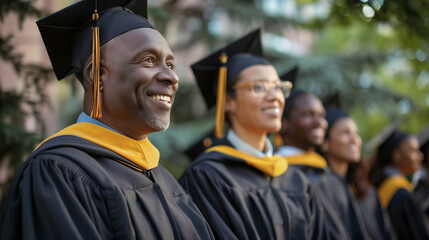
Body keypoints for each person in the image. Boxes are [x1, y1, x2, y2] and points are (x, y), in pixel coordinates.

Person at [0, 0, 215, 239]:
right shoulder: (59, 171)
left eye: (170, 64)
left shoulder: (164, 179)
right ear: (97, 74)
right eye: (148, 60)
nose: (171, 77)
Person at [179, 29, 327, 239]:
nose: (275, 97)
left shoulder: (296, 180)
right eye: (259, 87)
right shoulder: (208, 177)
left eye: (278, 87)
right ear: (229, 102)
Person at [276, 91, 369, 240]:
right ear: (284, 123)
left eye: (321, 115)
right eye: (307, 115)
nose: (320, 122)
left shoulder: (331, 178)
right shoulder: (277, 174)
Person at [320, 103, 394, 240]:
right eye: (345, 133)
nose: (354, 140)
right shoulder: (319, 190)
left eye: (356, 133)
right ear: (325, 143)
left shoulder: (366, 192)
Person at [371, 125, 429, 239]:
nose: (420, 156)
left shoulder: (382, 186)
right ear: (396, 155)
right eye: (414, 151)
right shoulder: (400, 193)